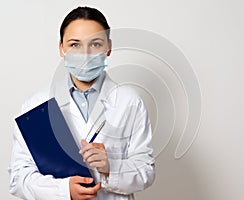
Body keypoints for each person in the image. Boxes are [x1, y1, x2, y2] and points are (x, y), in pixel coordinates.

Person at [9, 6, 155, 200]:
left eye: (95, 44)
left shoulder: (129, 101)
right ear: (61, 48)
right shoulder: (36, 105)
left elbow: (146, 171)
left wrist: (111, 167)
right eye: (75, 44)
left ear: (109, 47)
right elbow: (18, 177)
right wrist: (63, 190)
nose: (85, 55)